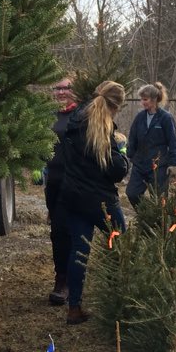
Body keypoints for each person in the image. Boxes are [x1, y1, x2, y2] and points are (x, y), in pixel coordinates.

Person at [57, 81, 130, 325]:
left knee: (79, 250)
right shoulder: (102, 127)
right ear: (116, 105)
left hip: (74, 197)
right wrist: (123, 156)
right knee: (121, 246)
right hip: (100, 201)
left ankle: (74, 307)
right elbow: (114, 169)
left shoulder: (77, 118)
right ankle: (120, 304)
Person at [43, 76, 78, 306]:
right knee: (56, 232)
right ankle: (60, 277)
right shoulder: (50, 116)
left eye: (66, 88)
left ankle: (68, 283)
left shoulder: (80, 115)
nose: (61, 92)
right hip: (53, 182)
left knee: (69, 231)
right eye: (58, 88)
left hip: (74, 182)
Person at [125, 82, 176, 206]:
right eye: (141, 99)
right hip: (140, 164)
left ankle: (158, 223)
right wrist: (130, 155)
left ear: (154, 99)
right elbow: (132, 138)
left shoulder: (166, 118)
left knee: (159, 200)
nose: (142, 102)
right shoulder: (139, 117)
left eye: (145, 99)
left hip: (158, 166)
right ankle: (145, 217)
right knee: (132, 193)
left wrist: (174, 163)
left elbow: (172, 141)